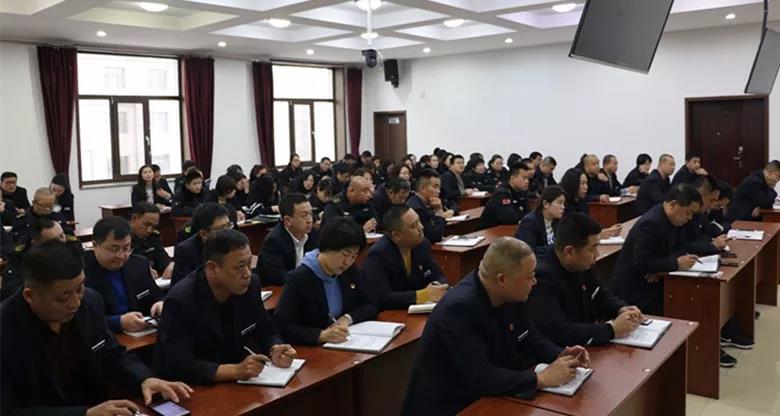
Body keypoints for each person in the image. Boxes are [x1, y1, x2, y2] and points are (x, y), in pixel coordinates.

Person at [1, 240, 192, 415]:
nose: (75, 303)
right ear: (30, 295)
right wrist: (84, 414)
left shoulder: (90, 302)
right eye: (62, 298)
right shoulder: (6, 329)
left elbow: (111, 353)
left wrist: (144, 378)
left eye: (80, 288)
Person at [402, 237, 589, 415]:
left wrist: (560, 355)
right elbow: (480, 376)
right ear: (502, 279)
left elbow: (528, 337)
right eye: (530, 276)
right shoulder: (459, 309)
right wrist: (541, 378)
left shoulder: (512, 293)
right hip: (451, 405)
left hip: (486, 396)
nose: (535, 281)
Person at [153, 229, 296, 385]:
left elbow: (266, 329)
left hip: (238, 380)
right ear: (212, 269)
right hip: (193, 386)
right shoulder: (180, 301)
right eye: (239, 267)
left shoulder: (251, 285)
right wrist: (234, 371)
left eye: (249, 264)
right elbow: (179, 365)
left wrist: (274, 349)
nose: (247, 273)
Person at [529, 213, 642, 347]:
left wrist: (621, 308)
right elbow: (559, 331)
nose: (596, 255)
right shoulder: (542, 277)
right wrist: (611, 330)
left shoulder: (579, 263)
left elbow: (598, 293)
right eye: (592, 248)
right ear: (569, 252)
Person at [274, 217, 378, 345]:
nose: (348, 262)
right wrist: (321, 335)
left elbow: (370, 305)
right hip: (312, 349)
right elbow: (282, 327)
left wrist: (347, 319)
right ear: (327, 248)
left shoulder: (349, 271)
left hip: (344, 343)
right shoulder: (299, 279)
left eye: (354, 256)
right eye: (345, 254)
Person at [611, 184, 702, 316]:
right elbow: (642, 262)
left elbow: (680, 248)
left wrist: (659, 267)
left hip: (653, 285)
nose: (690, 218)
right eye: (688, 212)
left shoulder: (674, 220)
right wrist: (674, 264)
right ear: (673, 204)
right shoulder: (650, 224)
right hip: (634, 292)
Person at [84, 216, 164, 334]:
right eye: (114, 249)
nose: (121, 255)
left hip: (143, 335)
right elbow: (82, 321)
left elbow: (157, 295)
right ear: (95, 245)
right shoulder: (82, 273)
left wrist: (160, 303)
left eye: (126, 248)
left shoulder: (139, 264)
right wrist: (118, 323)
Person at [362, 205, 448, 310]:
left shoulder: (422, 244)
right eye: (413, 226)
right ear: (397, 235)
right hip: (391, 314)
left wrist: (437, 285)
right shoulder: (378, 255)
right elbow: (382, 297)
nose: (421, 227)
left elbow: (438, 275)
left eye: (419, 221)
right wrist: (423, 295)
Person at [2, 218, 79, 301]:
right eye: (54, 241)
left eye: (62, 236)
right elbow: (11, 293)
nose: (61, 242)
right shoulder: (20, 258)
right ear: (36, 244)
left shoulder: (72, 248)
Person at [256, 193, 318, 286]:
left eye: (310, 214)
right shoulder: (274, 241)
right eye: (304, 215)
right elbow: (278, 276)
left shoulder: (314, 234)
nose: (310, 220)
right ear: (288, 220)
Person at [171, 203, 231, 286]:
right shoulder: (186, 251)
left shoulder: (235, 243)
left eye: (228, 225)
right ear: (204, 234)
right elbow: (181, 287)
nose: (228, 232)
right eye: (221, 229)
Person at [681, 176, 728, 256]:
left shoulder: (700, 213)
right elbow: (682, 246)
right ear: (699, 195)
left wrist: (715, 242)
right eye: (711, 200)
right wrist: (712, 246)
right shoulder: (682, 212)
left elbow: (706, 234)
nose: (711, 205)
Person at [130, 202, 174, 280]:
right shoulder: (122, 240)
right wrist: (140, 270)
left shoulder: (153, 237)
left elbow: (162, 259)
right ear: (134, 218)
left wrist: (171, 264)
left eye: (154, 226)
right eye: (146, 224)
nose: (149, 230)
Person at [515, 186, 565, 253]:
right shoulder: (530, 222)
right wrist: (555, 248)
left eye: (563, 204)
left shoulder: (557, 221)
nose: (563, 207)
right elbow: (528, 251)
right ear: (545, 204)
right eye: (559, 203)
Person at [481, 161, 532, 228]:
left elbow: (528, 213)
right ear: (512, 178)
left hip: (508, 228)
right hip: (491, 230)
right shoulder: (502, 193)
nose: (527, 181)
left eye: (528, 178)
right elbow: (509, 218)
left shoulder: (522, 191)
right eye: (524, 178)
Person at [406, 170, 452, 243]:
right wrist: (439, 211)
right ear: (422, 188)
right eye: (435, 187)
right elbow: (434, 236)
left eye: (439, 187)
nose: (438, 191)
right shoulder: (417, 208)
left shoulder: (429, 203)